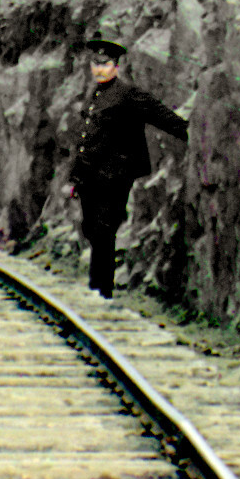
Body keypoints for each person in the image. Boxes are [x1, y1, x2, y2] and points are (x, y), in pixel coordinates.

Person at [68, 35, 186, 297]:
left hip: (114, 175)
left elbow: (158, 113)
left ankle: (101, 289)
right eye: (95, 64)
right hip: (90, 177)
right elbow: (85, 139)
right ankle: (98, 285)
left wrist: (188, 130)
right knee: (91, 228)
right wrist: (75, 177)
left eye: (105, 64)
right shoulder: (93, 95)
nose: (99, 69)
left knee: (104, 228)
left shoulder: (128, 94)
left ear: (116, 66)